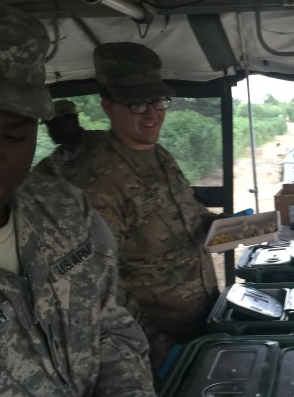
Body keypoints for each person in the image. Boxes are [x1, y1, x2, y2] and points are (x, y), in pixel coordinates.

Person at [0, 1, 220, 397]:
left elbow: (104, 326)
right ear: (109, 106)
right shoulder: (93, 179)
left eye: (12, 135)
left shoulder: (62, 212)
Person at [35, 42, 222, 374]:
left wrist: (221, 228)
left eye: (157, 100)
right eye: (136, 104)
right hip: (160, 348)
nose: (151, 113)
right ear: (108, 107)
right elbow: (98, 285)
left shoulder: (159, 154)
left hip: (202, 319)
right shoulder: (98, 181)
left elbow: (187, 216)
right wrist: (157, 350)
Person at [36, 99, 108, 177]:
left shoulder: (101, 141)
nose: (51, 131)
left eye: (55, 125)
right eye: (49, 126)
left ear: (74, 121)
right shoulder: (56, 158)